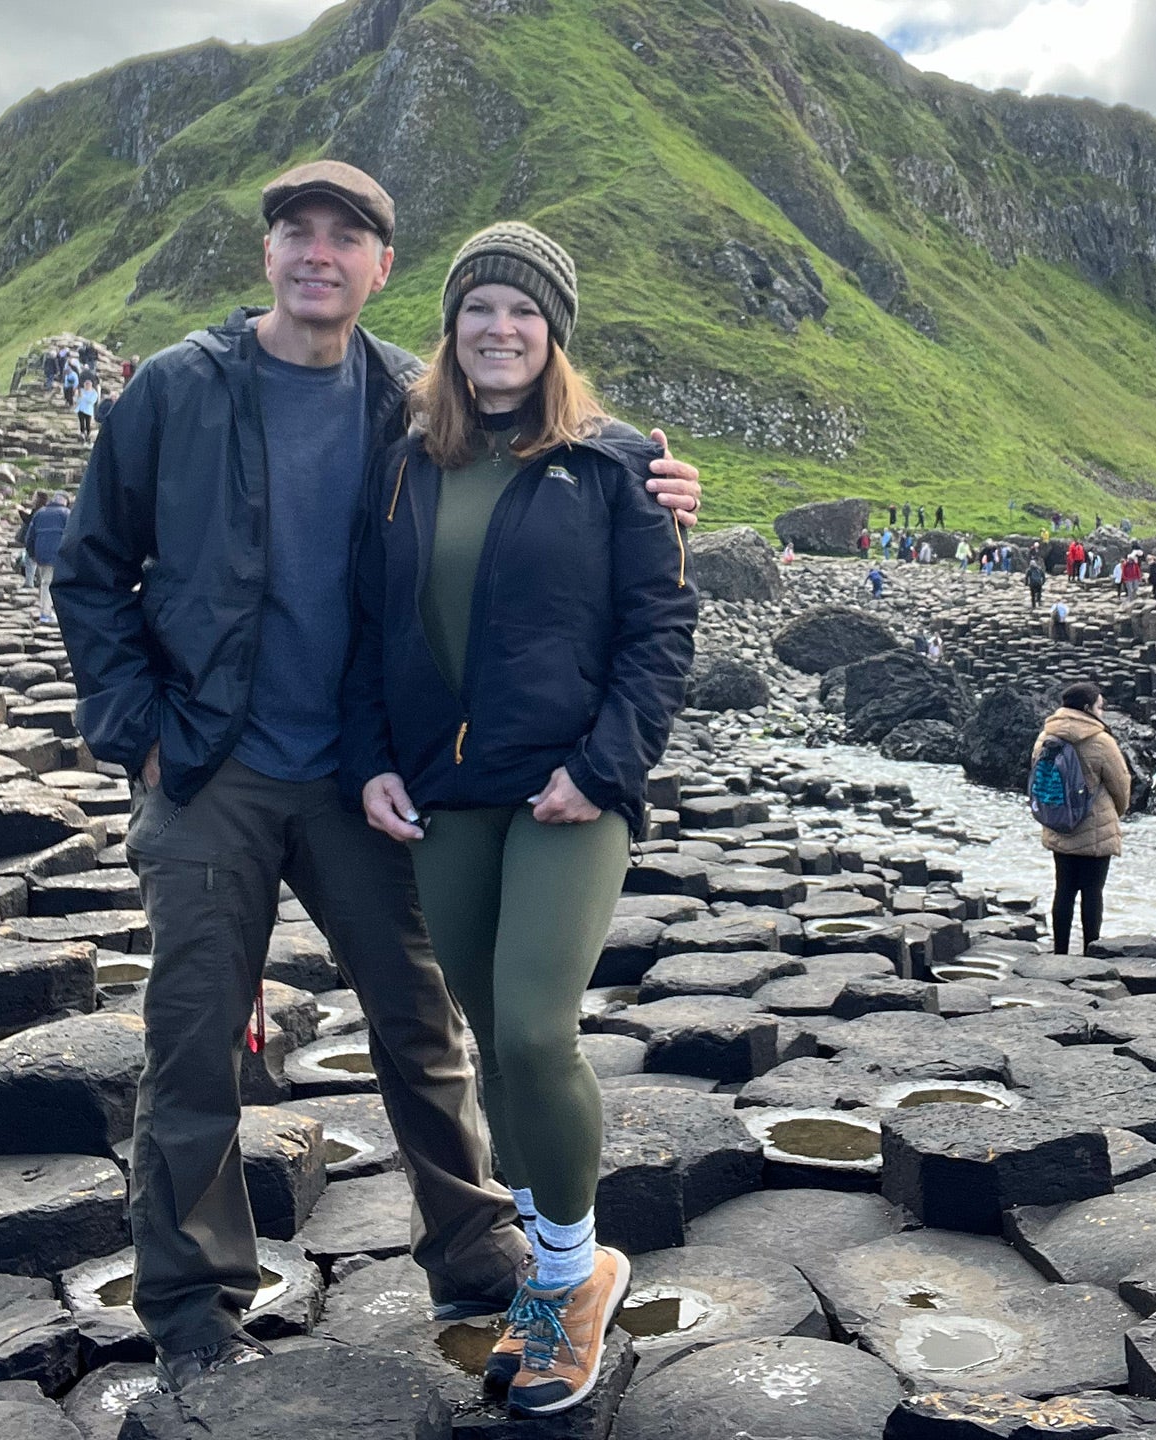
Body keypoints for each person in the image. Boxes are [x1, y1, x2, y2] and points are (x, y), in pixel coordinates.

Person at [52, 162, 702, 1397]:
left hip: (360, 776)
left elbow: (545, 464)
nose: (319, 254)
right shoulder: (178, 390)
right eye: (296, 232)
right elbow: (91, 572)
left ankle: (472, 1245)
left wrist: (661, 487)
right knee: (192, 1041)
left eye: (345, 237)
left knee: (421, 1025)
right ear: (267, 253)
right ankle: (193, 1301)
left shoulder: (404, 399)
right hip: (210, 770)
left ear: (381, 267)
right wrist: (134, 730)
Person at [343, 223, 695, 1414]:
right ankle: (563, 1264)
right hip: (446, 796)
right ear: (451, 330)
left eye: (524, 315)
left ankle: (566, 1277)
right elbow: (369, 632)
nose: (500, 331)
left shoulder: (613, 465)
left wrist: (603, 768)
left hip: (569, 795)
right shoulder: (403, 462)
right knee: (494, 1042)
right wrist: (370, 763)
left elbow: (658, 635)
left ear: (554, 337)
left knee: (538, 1034)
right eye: (480, 310)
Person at [1032, 682, 1131, 955]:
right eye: (1100, 706)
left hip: (1059, 825)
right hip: (1095, 830)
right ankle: (1090, 952)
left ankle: (1060, 952)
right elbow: (1121, 784)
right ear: (1087, 708)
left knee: (1063, 889)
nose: (1103, 712)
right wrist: (1115, 813)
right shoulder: (1100, 741)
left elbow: (1038, 777)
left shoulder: (1046, 736)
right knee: (1092, 892)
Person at [21, 491, 68, 622]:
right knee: (53, 583)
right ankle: (47, 613)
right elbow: (72, 536)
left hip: (41, 553)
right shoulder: (66, 514)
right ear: (64, 502)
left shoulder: (40, 513)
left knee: (45, 582)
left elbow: (30, 536)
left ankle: (46, 611)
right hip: (59, 554)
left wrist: (31, 554)